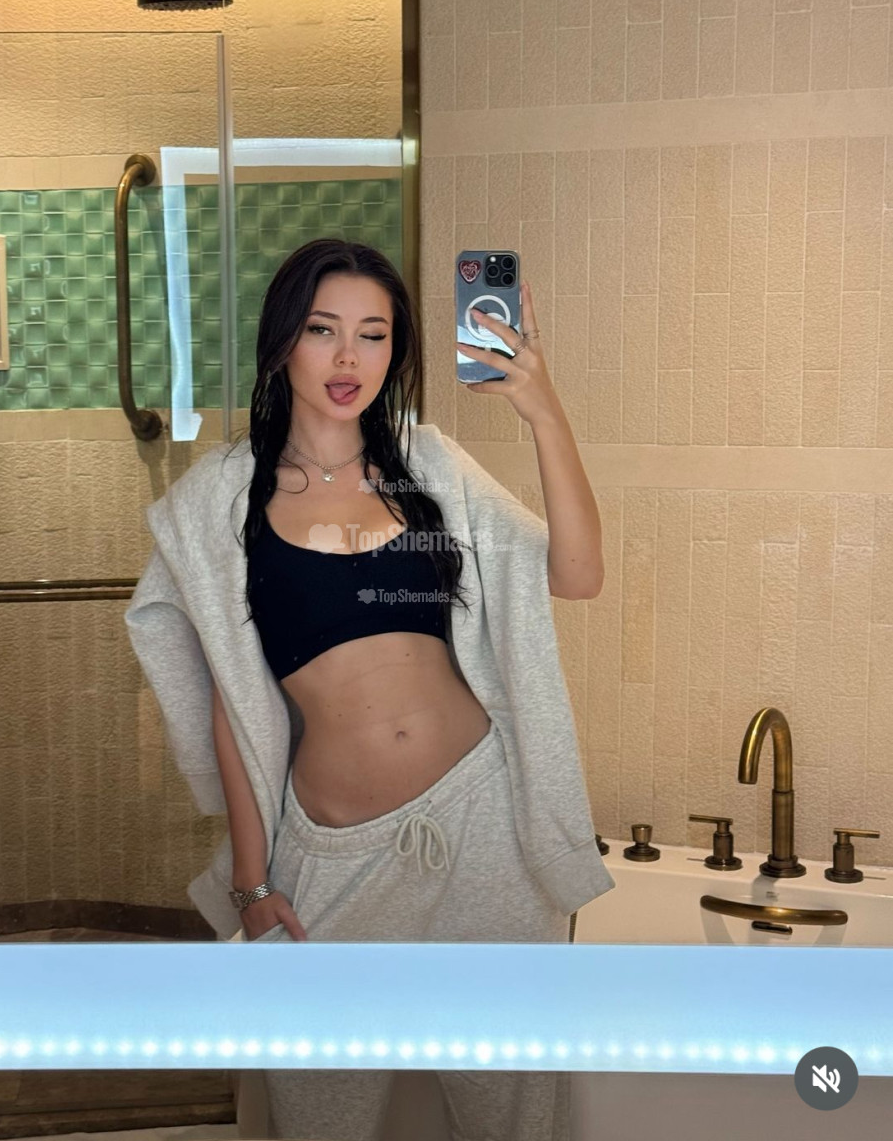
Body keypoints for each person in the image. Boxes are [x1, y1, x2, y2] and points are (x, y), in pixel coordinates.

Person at [126, 238, 612, 1141]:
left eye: (374, 335)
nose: (348, 358)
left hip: (482, 829)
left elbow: (578, 575)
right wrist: (250, 882)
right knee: (319, 1112)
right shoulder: (219, 502)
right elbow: (235, 709)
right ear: (282, 340)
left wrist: (542, 411)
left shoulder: (430, 466)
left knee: (512, 1116)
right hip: (334, 855)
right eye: (323, 330)